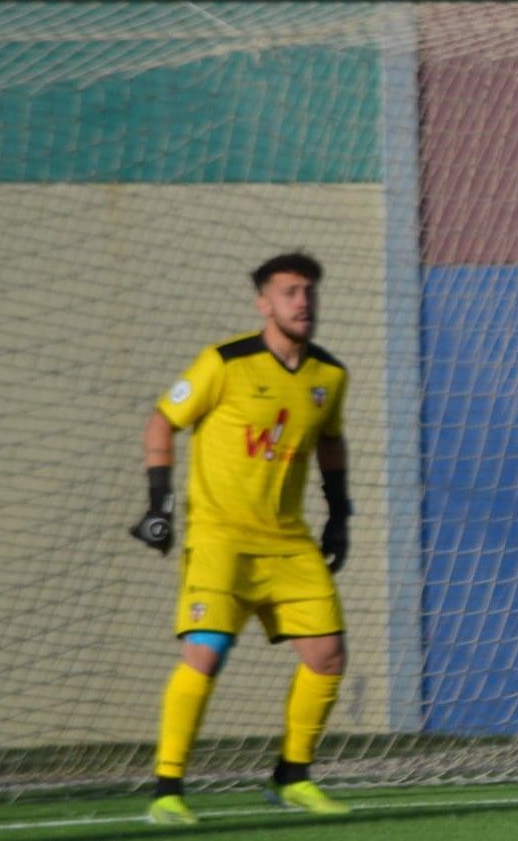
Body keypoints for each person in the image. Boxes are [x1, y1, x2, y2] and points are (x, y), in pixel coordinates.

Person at [133, 253, 354, 825]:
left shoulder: (328, 376)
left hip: (288, 541)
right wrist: (159, 505)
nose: (302, 302)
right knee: (205, 654)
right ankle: (167, 789)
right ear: (264, 303)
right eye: (288, 292)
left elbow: (330, 442)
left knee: (327, 656)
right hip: (220, 540)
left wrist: (340, 514)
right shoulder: (224, 362)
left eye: (308, 291)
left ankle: (292, 777)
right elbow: (162, 422)